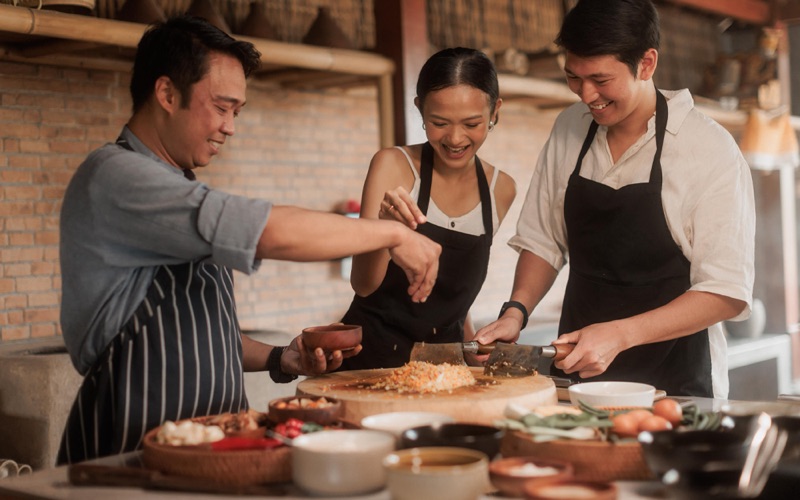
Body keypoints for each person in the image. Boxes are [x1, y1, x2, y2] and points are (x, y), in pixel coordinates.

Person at [56, 15, 441, 465]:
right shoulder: (117, 177)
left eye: (237, 112)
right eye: (221, 107)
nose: (230, 127)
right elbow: (271, 231)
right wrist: (392, 232)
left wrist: (283, 358)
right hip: (131, 446)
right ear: (166, 93)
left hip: (213, 443)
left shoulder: (177, 185)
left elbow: (200, 336)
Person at [473, 0, 755, 398]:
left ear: (647, 63)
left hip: (677, 383)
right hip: (579, 377)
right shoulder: (570, 127)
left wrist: (621, 335)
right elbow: (543, 240)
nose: (586, 95)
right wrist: (516, 311)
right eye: (574, 77)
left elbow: (726, 291)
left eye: (601, 80)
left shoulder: (707, 149)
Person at [338, 47, 516, 370]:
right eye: (439, 122)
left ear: (495, 112)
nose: (455, 138)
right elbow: (363, 285)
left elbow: (451, 301)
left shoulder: (501, 189)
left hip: (443, 372)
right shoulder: (393, 166)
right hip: (368, 365)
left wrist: (472, 346)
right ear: (420, 110)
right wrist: (385, 232)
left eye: (472, 123)